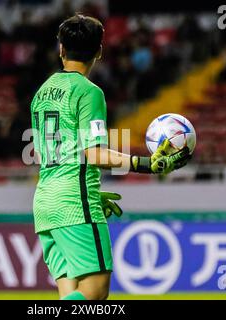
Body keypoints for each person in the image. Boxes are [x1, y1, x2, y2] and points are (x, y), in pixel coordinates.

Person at [30, 14, 191, 301]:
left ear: (61, 50)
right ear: (99, 52)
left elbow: (59, 153)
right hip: (74, 204)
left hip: (45, 202)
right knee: (95, 291)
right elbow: (93, 154)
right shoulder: (88, 92)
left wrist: (91, 188)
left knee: (71, 291)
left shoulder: (41, 93)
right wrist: (145, 164)